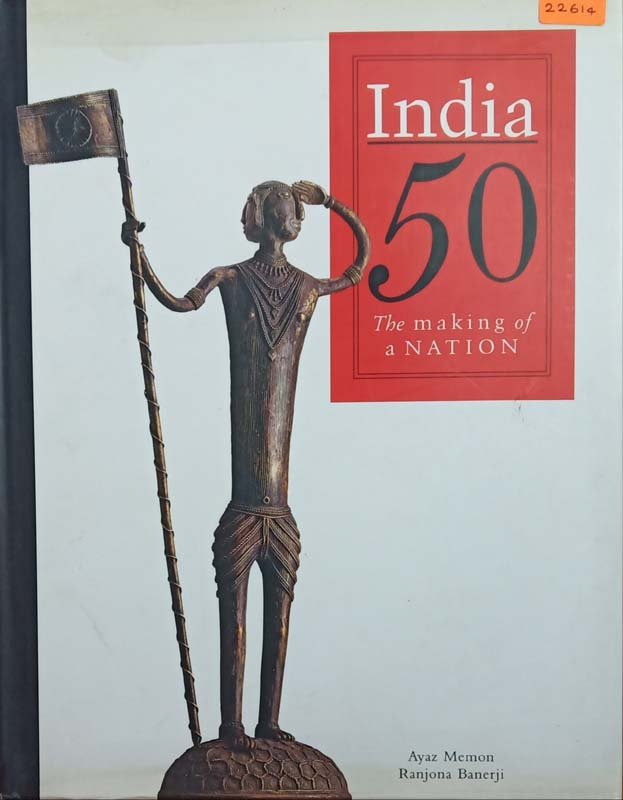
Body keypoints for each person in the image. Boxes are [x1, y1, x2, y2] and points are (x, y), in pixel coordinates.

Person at [122, 179, 369, 750]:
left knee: (274, 618)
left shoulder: (303, 286)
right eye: (289, 206)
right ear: (269, 215)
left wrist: (330, 203)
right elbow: (180, 301)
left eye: (295, 209)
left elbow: (359, 267)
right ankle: (232, 725)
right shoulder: (233, 279)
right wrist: (139, 254)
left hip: (277, 511)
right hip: (245, 508)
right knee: (237, 616)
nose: (295, 215)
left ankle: (266, 723)